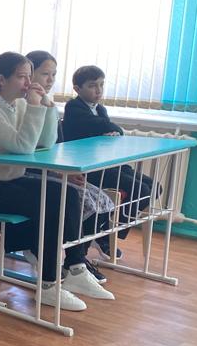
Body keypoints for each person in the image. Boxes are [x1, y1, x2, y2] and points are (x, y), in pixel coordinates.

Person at [0, 52, 115, 312]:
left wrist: (48, 107)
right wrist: (34, 107)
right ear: (1, 79)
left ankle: (75, 267)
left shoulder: (18, 105)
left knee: (67, 193)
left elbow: (45, 142)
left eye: (29, 77)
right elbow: (22, 146)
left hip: (9, 179)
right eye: (22, 77)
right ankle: (50, 284)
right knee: (50, 203)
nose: (28, 83)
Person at [62, 64, 156, 255]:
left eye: (101, 85)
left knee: (153, 187)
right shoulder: (74, 107)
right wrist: (111, 129)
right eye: (92, 85)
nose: (98, 90)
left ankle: (107, 231)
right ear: (77, 89)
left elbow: (109, 129)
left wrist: (111, 131)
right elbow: (103, 126)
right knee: (141, 189)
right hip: (88, 168)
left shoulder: (100, 109)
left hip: (105, 164)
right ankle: (104, 234)